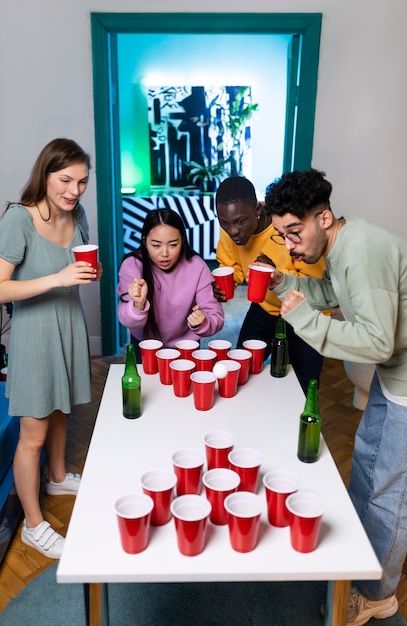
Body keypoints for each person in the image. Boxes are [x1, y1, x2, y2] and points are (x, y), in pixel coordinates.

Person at [264, 168, 406, 625]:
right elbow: (330, 291)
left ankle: (377, 593)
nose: (289, 245)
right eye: (282, 235)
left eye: (293, 232)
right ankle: (357, 565)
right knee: (366, 464)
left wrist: (305, 321)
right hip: (395, 375)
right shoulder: (344, 241)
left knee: (388, 490)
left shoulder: (362, 249)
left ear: (323, 217)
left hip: (401, 372)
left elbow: (378, 341)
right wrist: (285, 284)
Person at [0, 138, 102, 560]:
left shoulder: (79, 215)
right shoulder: (18, 220)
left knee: (61, 410)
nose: (74, 190)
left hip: (69, 324)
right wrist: (58, 277)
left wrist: (89, 273)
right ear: (46, 174)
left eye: (82, 182)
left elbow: (81, 267)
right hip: (35, 334)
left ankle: (57, 477)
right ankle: (33, 527)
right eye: (65, 180)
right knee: (32, 434)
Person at [214, 175, 329, 394]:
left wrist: (276, 274)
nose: (233, 231)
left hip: (306, 313)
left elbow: (319, 287)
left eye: (240, 221)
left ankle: (296, 424)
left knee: (305, 382)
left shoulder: (289, 227)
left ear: (257, 210)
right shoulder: (230, 227)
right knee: (240, 368)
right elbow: (232, 265)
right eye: (224, 222)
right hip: (266, 308)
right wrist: (226, 283)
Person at [117, 208, 224, 360]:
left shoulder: (197, 266)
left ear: (183, 241)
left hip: (187, 348)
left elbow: (217, 317)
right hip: (146, 347)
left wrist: (202, 322)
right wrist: (137, 305)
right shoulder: (132, 265)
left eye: (173, 245)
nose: (165, 253)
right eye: (156, 245)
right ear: (144, 241)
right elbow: (127, 320)